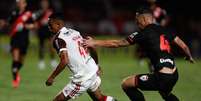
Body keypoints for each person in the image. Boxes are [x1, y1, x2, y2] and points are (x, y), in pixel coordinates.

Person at [83, 7, 194, 101]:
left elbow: (117, 43)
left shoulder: (143, 33)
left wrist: (95, 42)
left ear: (144, 19)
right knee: (165, 94)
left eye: (137, 20)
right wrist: (189, 56)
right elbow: (182, 45)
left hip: (162, 77)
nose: (136, 23)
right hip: (174, 75)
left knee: (126, 84)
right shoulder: (164, 29)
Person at [45, 13, 116, 101]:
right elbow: (92, 47)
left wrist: (52, 77)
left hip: (83, 77)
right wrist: (96, 64)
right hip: (92, 70)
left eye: (50, 25)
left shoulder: (59, 39)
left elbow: (64, 61)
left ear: (58, 24)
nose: (49, 27)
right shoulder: (75, 32)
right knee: (100, 98)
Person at [8, 0, 35, 88]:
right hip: (15, 39)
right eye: (18, 2)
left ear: (25, 4)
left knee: (21, 60)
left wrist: (25, 26)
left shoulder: (28, 14)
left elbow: (33, 25)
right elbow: (9, 23)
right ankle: (15, 78)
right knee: (15, 58)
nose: (19, 4)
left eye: (21, 2)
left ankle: (16, 71)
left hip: (24, 39)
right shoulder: (14, 13)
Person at [35, 0, 56, 69]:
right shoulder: (39, 12)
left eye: (45, 4)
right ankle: (41, 61)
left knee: (51, 46)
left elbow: (55, 20)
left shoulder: (51, 12)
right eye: (43, 4)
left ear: (48, 4)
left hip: (49, 31)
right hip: (41, 31)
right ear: (41, 4)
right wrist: (40, 22)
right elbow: (35, 21)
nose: (44, 5)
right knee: (41, 46)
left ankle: (53, 61)